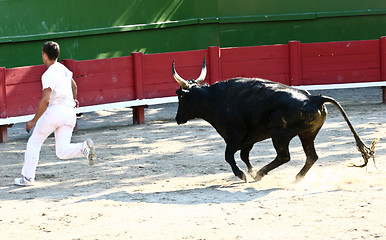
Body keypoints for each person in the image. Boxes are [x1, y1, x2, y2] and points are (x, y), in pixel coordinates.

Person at [14, 41, 96, 186]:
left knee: (34, 142)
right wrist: (74, 99)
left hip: (55, 112)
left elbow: (46, 100)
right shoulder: (64, 69)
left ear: (44, 55)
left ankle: (27, 178)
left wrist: (33, 121)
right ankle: (83, 147)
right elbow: (74, 86)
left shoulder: (48, 74)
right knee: (62, 151)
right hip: (69, 112)